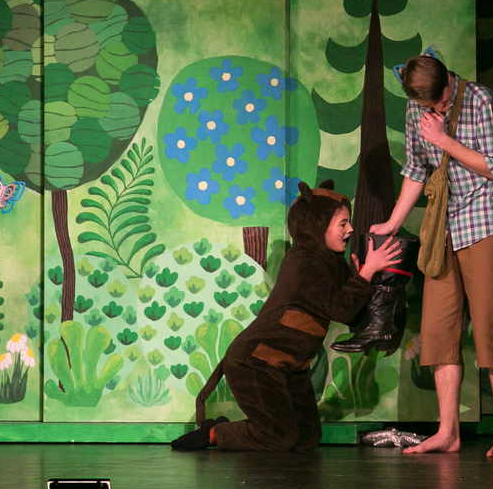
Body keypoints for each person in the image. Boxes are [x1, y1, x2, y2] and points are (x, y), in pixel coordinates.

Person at [171, 180, 402, 451]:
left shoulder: (328, 261)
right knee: (280, 437)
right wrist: (366, 273)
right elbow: (341, 309)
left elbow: (351, 316)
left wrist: (363, 276)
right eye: (342, 223)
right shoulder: (303, 262)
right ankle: (213, 433)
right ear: (317, 224)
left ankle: (235, 431)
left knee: (307, 436)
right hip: (255, 362)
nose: (350, 229)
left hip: (288, 365)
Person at [371, 54, 493, 457]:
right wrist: (394, 222)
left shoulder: (483, 102)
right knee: (439, 331)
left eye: (442, 101)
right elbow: (417, 168)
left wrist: (444, 139)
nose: (436, 109)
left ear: (449, 81)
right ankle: (448, 431)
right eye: (428, 106)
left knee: (490, 331)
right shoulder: (415, 108)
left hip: (484, 220)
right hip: (443, 227)